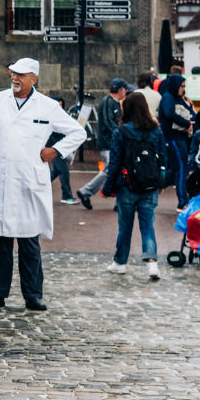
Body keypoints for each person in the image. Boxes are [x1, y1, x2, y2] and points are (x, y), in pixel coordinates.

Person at [0, 58, 85, 312]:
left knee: (29, 240)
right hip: (2, 177)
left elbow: (78, 133)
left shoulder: (47, 106)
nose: (15, 78)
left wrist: (55, 150)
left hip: (29, 180)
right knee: (0, 240)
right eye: (13, 73)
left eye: (21, 75)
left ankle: (33, 294)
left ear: (34, 78)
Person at [103, 93, 166, 280]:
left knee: (125, 226)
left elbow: (114, 164)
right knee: (148, 225)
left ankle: (120, 263)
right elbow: (163, 159)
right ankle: (152, 263)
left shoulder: (120, 132)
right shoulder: (156, 130)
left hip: (127, 186)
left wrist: (108, 188)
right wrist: (160, 182)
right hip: (150, 186)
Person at [77, 78, 126, 209]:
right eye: (124, 89)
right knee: (110, 169)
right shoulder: (108, 103)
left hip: (112, 143)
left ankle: (117, 201)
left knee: (114, 170)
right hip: (109, 143)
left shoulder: (113, 103)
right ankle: (85, 191)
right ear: (120, 90)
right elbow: (110, 124)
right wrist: (122, 135)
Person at [158, 74, 193, 210]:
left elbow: (191, 113)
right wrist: (187, 124)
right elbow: (169, 114)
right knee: (181, 168)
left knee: (176, 169)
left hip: (179, 137)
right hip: (174, 137)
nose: (183, 89)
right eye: (181, 86)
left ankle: (156, 185)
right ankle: (182, 200)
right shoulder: (168, 98)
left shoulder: (178, 98)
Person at [48, 97, 79, 205]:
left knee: (55, 171)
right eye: (58, 105)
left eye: (61, 105)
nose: (60, 107)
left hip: (60, 147)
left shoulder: (62, 116)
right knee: (63, 171)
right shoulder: (50, 117)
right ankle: (67, 196)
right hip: (55, 148)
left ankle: (34, 188)